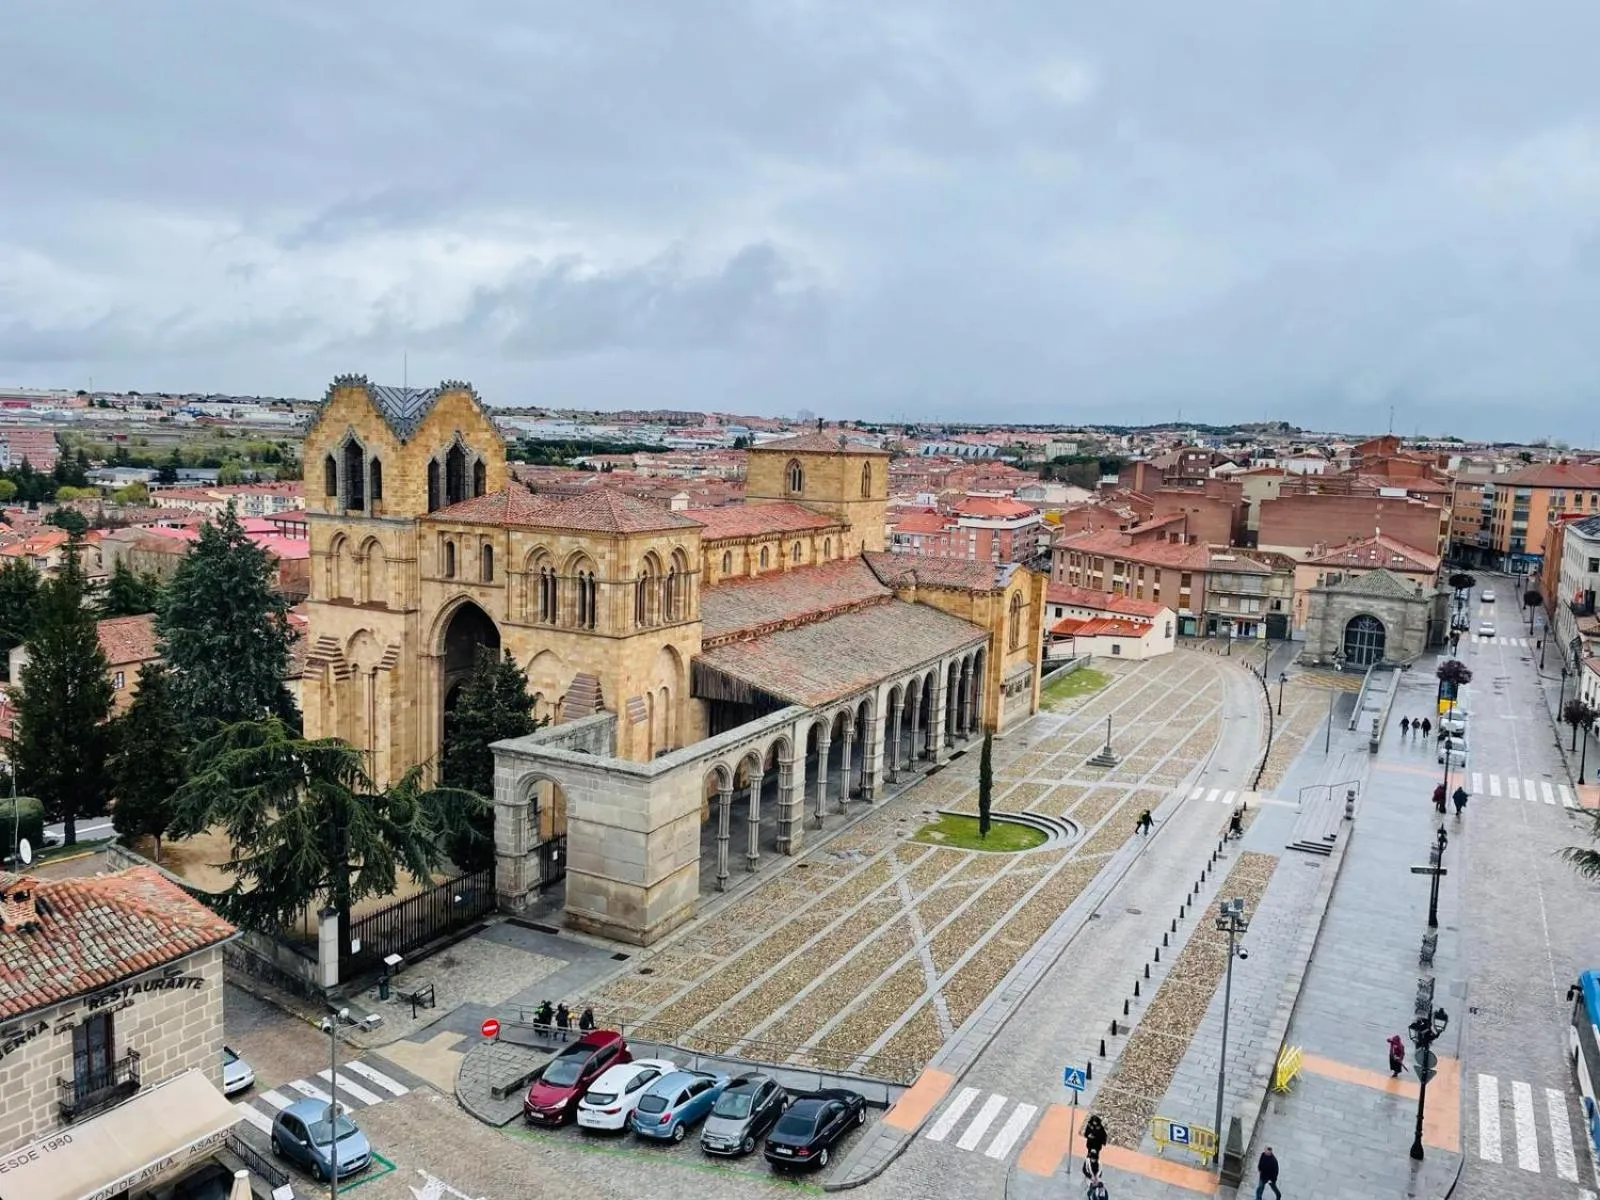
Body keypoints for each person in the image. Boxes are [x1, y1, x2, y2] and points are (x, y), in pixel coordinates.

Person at [1082, 1113, 1107, 1179]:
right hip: (1090, 1144)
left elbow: (1103, 1136)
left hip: (1097, 1145)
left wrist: (1096, 1137)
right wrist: (1088, 1136)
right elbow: (1086, 1133)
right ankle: (1087, 1168)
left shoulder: (1100, 1128)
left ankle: (1095, 1169)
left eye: (1095, 1122)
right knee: (1089, 1155)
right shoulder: (1089, 1126)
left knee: (1096, 1156)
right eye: (1093, 1122)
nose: (1094, 1123)